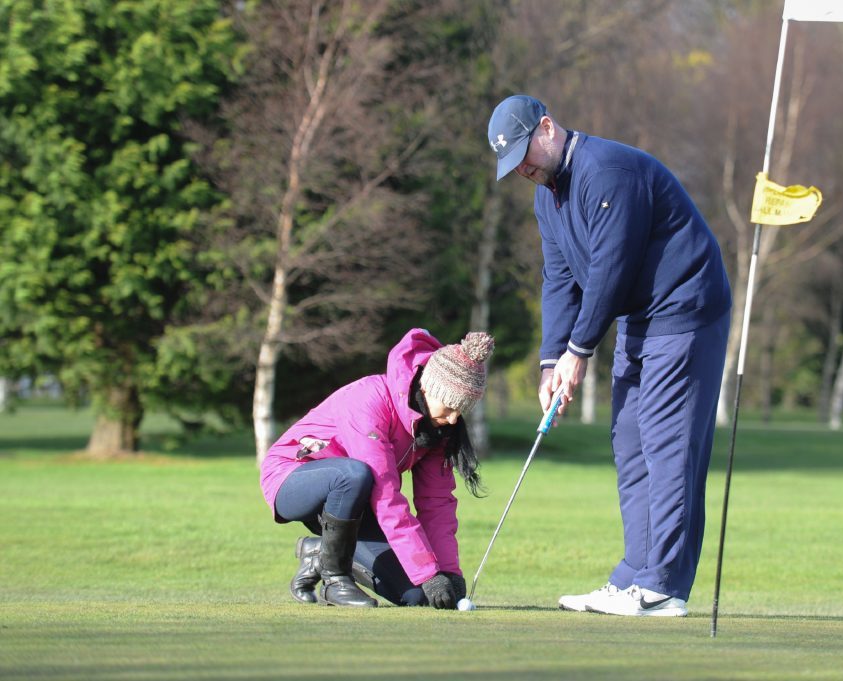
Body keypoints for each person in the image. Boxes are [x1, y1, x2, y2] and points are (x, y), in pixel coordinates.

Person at [487, 95, 732, 617]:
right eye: (514, 167)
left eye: (525, 156)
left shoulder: (607, 172)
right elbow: (558, 280)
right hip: (641, 319)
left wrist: (580, 350)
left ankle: (662, 586)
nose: (524, 170)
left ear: (546, 128)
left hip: (686, 308)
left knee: (667, 444)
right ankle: (634, 576)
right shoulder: (546, 198)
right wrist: (552, 360)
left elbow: (610, 270)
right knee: (629, 438)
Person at [259, 328, 494, 609]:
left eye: (462, 409)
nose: (455, 418)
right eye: (450, 406)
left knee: (417, 596)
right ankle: (335, 580)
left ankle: (322, 553)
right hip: (292, 478)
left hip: (355, 507)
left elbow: (436, 504)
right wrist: (428, 573)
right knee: (353, 475)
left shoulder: (438, 430)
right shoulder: (368, 399)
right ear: (427, 387)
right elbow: (386, 496)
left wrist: (446, 573)